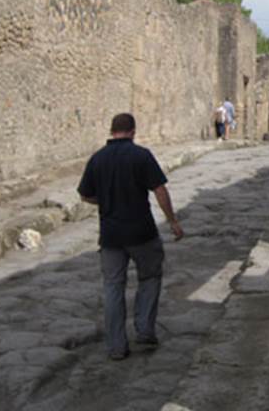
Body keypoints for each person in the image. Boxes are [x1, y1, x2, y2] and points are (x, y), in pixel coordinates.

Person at [77, 113, 184, 360]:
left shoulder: (97, 159)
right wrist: (173, 221)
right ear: (133, 131)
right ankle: (145, 328)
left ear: (112, 131)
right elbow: (159, 189)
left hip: (110, 236)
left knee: (113, 287)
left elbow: (85, 195)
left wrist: (105, 199)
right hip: (141, 232)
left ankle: (116, 346)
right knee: (150, 277)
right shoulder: (141, 155)